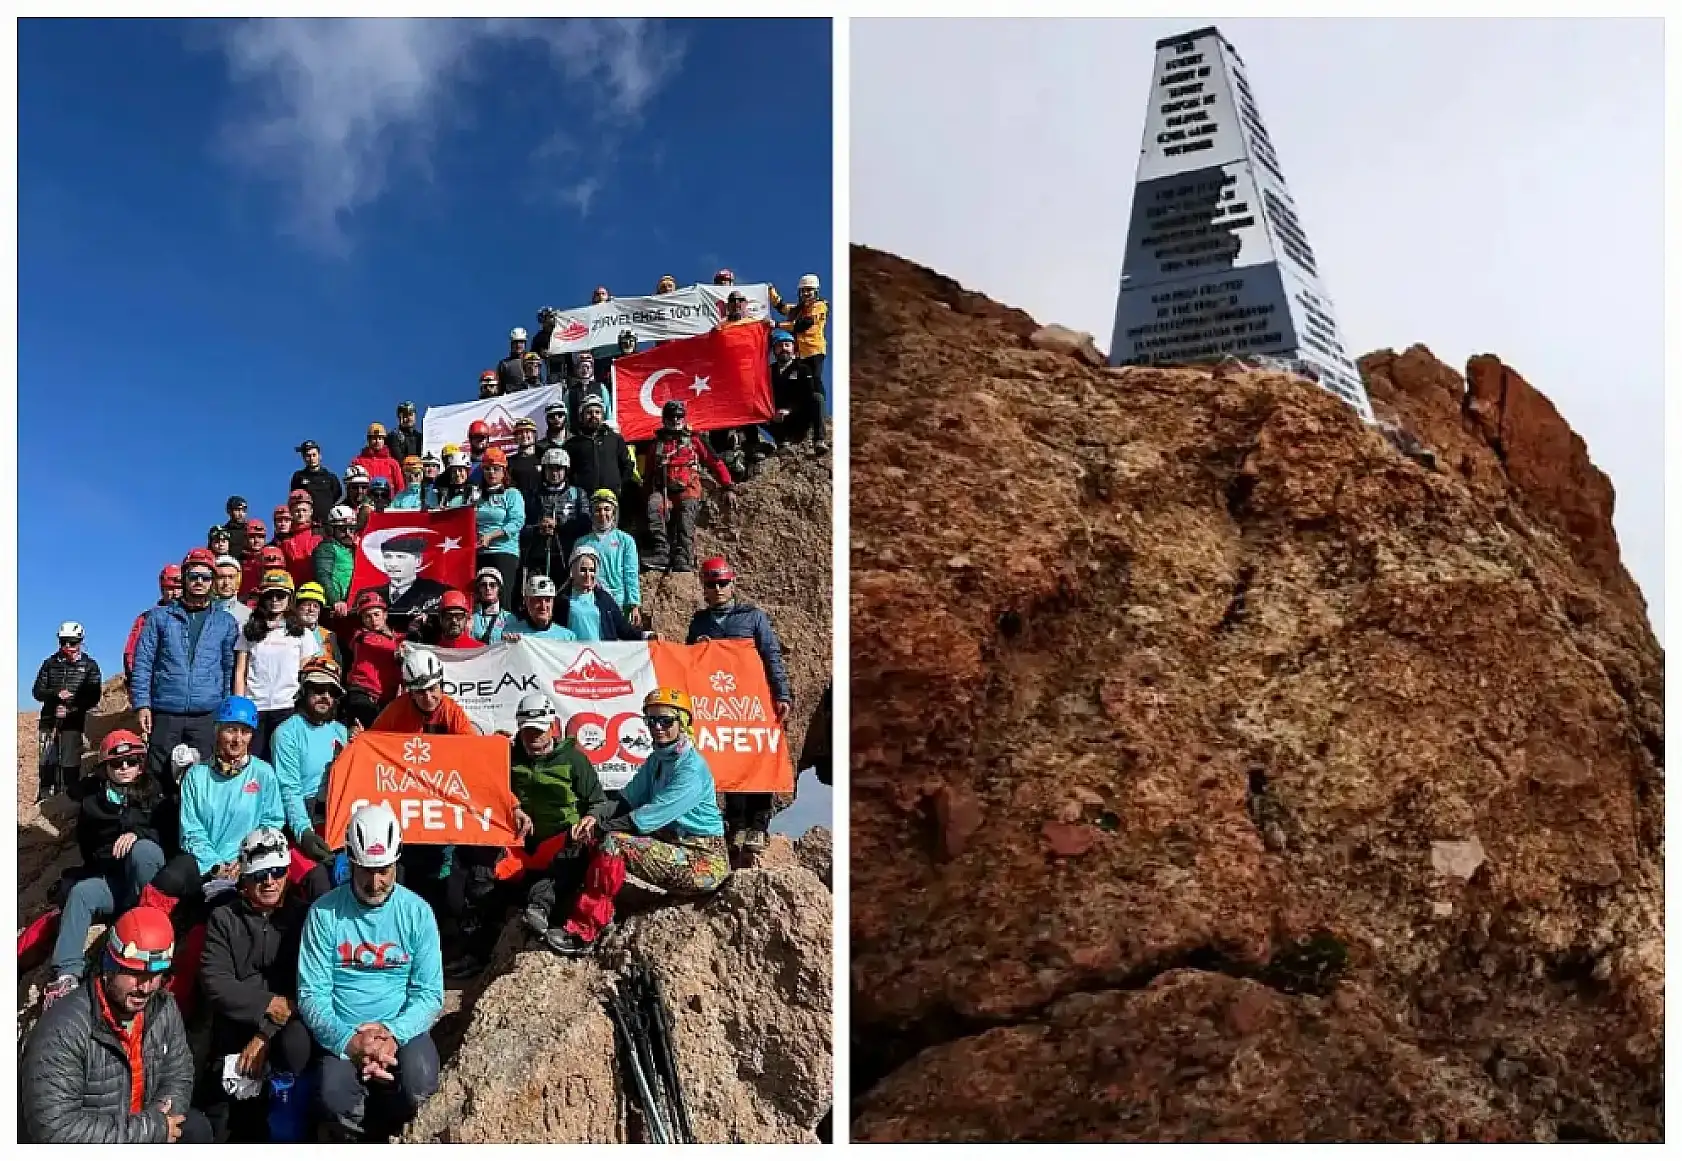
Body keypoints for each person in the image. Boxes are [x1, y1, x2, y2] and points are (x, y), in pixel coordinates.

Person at [298, 804, 443, 1139]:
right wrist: (352, 1042)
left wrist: (391, 1035)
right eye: (365, 870)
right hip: (344, 1030)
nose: (375, 882)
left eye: (384, 870)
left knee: (420, 1083)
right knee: (333, 1095)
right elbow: (311, 994)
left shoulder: (417, 913)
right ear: (349, 859)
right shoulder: (324, 915)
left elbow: (429, 993)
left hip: (401, 1027)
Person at [547, 688, 728, 956]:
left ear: (684, 723)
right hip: (674, 847)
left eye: (666, 721)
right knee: (594, 837)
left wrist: (599, 828)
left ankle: (585, 932)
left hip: (704, 861)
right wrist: (593, 817)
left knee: (613, 843)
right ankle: (563, 907)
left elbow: (644, 818)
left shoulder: (691, 768)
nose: (657, 728)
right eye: (651, 721)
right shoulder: (658, 759)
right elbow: (625, 801)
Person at [20, 905, 209, 1144]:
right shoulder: (62, 1030)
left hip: (140, 1129)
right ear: (109, 967)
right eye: (134, 974)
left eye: (155, 975)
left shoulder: (163, 1008)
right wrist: (150, 1130)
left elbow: (179, 1073)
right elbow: (55, 1130)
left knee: (196, 1128)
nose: (146, 987)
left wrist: (164, 1114)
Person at [366, 652, 493, 976]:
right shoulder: (395, 713)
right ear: (409, 690)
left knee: (445, 881)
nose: (430, 696)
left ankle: (447, 946)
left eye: (435, 688)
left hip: (440, 811)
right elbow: (371, 752)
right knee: (411, 879)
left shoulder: (451, 711)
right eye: (421, 691)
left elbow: (473, 756)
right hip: (408, 812)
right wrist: (359, 742)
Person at [198, 827, 312, 1143]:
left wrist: (265, 1033)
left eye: (277, 872)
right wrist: (268, 1006)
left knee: (297, 1043)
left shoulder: (304, 917)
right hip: (237, 1022)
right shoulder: (224, 918)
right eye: (261, 875)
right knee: (224, 1106)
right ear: (244, 880)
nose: (270, 881)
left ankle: (291, 1129)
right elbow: (216, 981)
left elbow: (308, 983)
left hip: (288, 1024)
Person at [42, 730, 168, 1008]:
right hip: (113, 880)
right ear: (105, 768)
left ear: (141, 762)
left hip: (148, 884)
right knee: (82, 892)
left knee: (144, 851)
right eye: (116, 763)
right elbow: (91, 851)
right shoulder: (94, 804)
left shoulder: (155, 792)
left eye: (131, 761)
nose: (124, 768)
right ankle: (66, 974)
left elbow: (170, 836)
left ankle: (149, 922)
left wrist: (138, 833)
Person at [687, 556, 792, 854]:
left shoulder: (753, 617)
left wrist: (782, 695)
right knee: (729, 760)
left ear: (733, 584)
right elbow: (688, 662)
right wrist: (699, 649)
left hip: (754, 703)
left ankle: (759, 826)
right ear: (704, 587)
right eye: (711, 584)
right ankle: (737, 825)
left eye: (723, 583)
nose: (718, 588)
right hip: (719, 705)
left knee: (758, 758)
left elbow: (771, 655)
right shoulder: (699, 622)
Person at [148, 696, 286, 907]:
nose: (237, 739)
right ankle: (146, 930)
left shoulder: (263, 773)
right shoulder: (196, 776)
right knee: (171, 877)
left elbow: (271, 822)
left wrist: (244, 861)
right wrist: (215, 865)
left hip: (248, 864)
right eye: (231, 730)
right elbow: (191, 831)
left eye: (245, 731)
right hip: (204, 864)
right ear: (217, 730)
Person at [507, 693, 614, 952]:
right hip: (525, 841)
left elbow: (598, 802)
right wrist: (515, 806)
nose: (535, 738)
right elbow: (492, 788)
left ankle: (540, 910)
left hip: (566, 839)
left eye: (540, 731)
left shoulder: (574, 760)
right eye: (528, 732)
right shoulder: (510, 758)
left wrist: (589, 819)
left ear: (552, 726)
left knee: (565, 865)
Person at [131, 550, 240, 790]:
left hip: (206, 713)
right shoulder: (160, 617)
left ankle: (193, 827)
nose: (199, 582)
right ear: (184, 579)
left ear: (212, 581)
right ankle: (159, 827)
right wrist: (142, 704)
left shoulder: (225, 622)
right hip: (165, 710)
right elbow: (143, 661)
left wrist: (225, 708)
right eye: (193, 576)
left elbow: (228, 668)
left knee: (202, 779)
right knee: (159, 778)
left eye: (205, 577)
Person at [234, 570, 322, 761]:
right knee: (252, 761)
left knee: (283, 760)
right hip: (254, 706)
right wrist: (240, 705)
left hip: (287, 707)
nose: (275, 599)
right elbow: (240, 670)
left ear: (289, 598)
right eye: (269, 595)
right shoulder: (249, 628)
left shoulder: (301, 632)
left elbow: (305, 670)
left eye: (280, 595)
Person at [270, 656, 348, 860]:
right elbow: (289, 788)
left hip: (339, 815)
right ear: (304, 690)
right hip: (307, 815)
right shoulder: (287, 733)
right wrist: (304, 832)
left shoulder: (342, 732)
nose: (325, 696)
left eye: (332, 692)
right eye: (318, 689)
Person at [644, 398, 733, 574]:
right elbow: (648, 474)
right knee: (654, 505)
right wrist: (646, 495)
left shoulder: (695, 439)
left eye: (679, 416)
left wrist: (728, 486)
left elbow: (715, 462)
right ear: (664, 419)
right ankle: (661, 552)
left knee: (686, 520)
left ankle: (683, 557)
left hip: (688, 490)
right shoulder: (656, 444)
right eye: (671, 416)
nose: (676, 420)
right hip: (664, 491)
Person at [32, 620, 104, 801]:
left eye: (71, 642)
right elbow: (37, 692)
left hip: (74, 723)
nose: (67, 646)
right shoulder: (50, 663)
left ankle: (67, 799)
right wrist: (56, 695)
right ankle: (44, 797)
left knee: (69, 762)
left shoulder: (90, 666)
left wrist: (71, 707)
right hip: (49, 720)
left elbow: (93, 695)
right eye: (63, 641)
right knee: (47, 760)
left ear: (80, 641)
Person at [520, 447, 591, 584]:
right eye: (550, 468)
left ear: (566, 471)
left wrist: (559, 525)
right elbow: (521, 528)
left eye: (559, 469)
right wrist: (538, 528)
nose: (554, 473)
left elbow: (586, 524)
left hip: (569, 557)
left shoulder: (577, 494)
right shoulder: (532, 495)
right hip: (538, 558)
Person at [574, 489, 642, 627]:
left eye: (607, 509)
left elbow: (631, 573)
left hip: (618, 603)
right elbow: (575, 577)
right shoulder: (581, 542)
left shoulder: (625, 540)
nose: (602, 514)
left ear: (614, 512)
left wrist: (634, 604)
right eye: (598, 510)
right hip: (589, 603)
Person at [557, 546, 649, 642]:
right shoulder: (562, 600)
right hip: (574, 654)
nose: (588, 575)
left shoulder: (604, 599)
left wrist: (646, 635)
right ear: (573, 571)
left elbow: (623, 628)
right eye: (583, 570)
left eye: (592, 570)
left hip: (601, 655)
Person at [343, 591, 405, 722]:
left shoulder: (399, 639)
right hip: (362, 694)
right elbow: (384, 645)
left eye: (376, 614)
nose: (373, 620)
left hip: (387, 699)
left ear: (385, 615)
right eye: (367, 617)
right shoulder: (360, 636)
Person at [563, 392, 637, 503]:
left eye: (597, 412)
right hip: (583, 500)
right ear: (581, 416)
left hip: (612, 498)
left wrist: (620, 485)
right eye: (589, 412)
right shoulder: (572, 444)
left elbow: (627, 465)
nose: (594, 416)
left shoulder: (615, 439)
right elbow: (567, 473)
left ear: (603, 415)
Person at [769, 272, 829, 406]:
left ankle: (819, 408)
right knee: (799, 382)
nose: (806, 293)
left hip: (814, 351)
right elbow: (782, 307)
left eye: (809, 290)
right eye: (803, 291)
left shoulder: (820, 306)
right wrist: (770, 292)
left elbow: (803, 325)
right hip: (800, 353)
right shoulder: (799, 309)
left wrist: (777, 325)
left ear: (816, 292)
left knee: (814, 381)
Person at [474, 447, 526, 596]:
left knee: (502, 599)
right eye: (487, 469)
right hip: (479, 553)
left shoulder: (512, 494)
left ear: (504, 471)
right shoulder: (476, 497)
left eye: (496, 469)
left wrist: (491, 536)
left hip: (504, 552)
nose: (491, 473)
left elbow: (516, 522)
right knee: (480, 599)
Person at [768, 327, 828, 455]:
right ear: (774, 351)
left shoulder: (803, 368)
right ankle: (777, 443)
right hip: (776, 418)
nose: (783, 348)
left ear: (793, 348)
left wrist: (790, 410)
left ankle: (819, 440)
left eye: (787, 345)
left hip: (799, 417)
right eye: (779, 346)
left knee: (817, 397)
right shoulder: (768, 371)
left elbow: (808, 392)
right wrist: (772, 412)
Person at [125, 564, 183, 686]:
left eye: (180, 588)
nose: (176, 593)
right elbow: (131, 653)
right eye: (170, 589)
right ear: (162, 590)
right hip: (156, 686)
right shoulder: (146, 618)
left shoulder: (194, 617)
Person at [312, 505, 359, 621]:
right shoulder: (327, 548)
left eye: (351, 529)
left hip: (353, 606)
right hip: (335, 609)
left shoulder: (353, 549)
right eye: (343, 530)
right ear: (333, 530)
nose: (348, 533)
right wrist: (335, 601)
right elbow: (323, 576)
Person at [503, 575, 579, 643]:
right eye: (538, 600)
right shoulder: (511, 633)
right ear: (526, 601)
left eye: (547, 600)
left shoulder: (568, 637)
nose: (543, 606)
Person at [293, 582, 342, 669]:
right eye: (307, 605)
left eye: (315, 606)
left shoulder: (329, 636)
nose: (311, 609)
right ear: (296, 608)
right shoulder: (284, 633)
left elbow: (339, 667)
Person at [281, 490, 324, 588]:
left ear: (311, 511)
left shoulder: (322, 534)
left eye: (304, 510)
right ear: (291, 513)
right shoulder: (285, 540)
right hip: (295, 591)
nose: (301, 514)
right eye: (297, 511)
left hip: (318, 590)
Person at [291, 441, 344, 516]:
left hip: (328, 522)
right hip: (308, 522)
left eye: (314, 455)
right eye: (308, 456)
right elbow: (294, 499)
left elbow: (338, 497)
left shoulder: (331, 477)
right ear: (304, 458)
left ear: (320, 456)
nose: (311, 458)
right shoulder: (298, 477)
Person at [352, 424, 404, 495]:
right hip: (366, 503)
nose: (377, 441)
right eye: (374, 438)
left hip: (388, 503)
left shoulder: (393, 463)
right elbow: (352, 486)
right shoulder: (358, 461)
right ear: (368, 440)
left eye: (380, 438)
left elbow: (400, 488)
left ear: (384, 440)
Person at [564, 349, 611, 422]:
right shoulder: (569, 392)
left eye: (587, 367)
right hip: (576, 432)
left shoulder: (601, 388)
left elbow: (608, 413)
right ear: (576, 369)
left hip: (598, 430)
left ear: (592, 368)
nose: (585, 370)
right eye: (581, 367)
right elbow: (567, 418)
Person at [471, 567, 514, 644]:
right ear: (479, 589)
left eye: (492, 585)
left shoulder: (510, 618)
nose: (488, 588)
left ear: (499, 589)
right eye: (483, 585)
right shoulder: (470, 618)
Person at [507, 416, 544, 501]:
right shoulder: (510, 462)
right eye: (520, 432)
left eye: (527, 431)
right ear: (515, 438)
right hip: (519, 507)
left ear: (534, 435)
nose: (524, 435)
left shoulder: (544, 458)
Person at [213, 554, 252, 630]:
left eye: (231, 577)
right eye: (221, 577)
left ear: (238, 580)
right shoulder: (201, 613)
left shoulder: (248, 615)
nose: (226, 583)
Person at [342, 465, 375, 531]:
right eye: (355, 487)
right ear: (347, 488)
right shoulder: (339, 510)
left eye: (364, 487)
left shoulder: (375, 508)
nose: (360, 491)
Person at [498, 327, 530, 393]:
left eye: (521, 342)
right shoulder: (504, 364)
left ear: (525, 343)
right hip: (513, 399)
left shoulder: (532, 360)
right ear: (511, 344)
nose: (518, 345)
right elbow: (500, 387)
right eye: (515, 342)